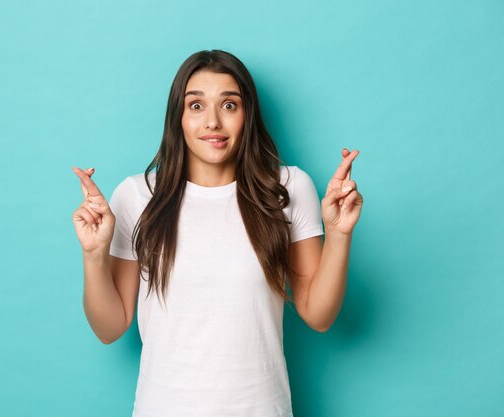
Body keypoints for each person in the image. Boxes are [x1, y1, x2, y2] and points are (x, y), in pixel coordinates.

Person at [71, 49, 363, 417]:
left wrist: (339, 234)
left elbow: (319, 315)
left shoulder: (288, 188)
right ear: (178, 117)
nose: (212, 121)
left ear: (248, 115)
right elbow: (109, 327)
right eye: (196, 106)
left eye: (229, 105)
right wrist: (94, 255)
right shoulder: (137, 195)